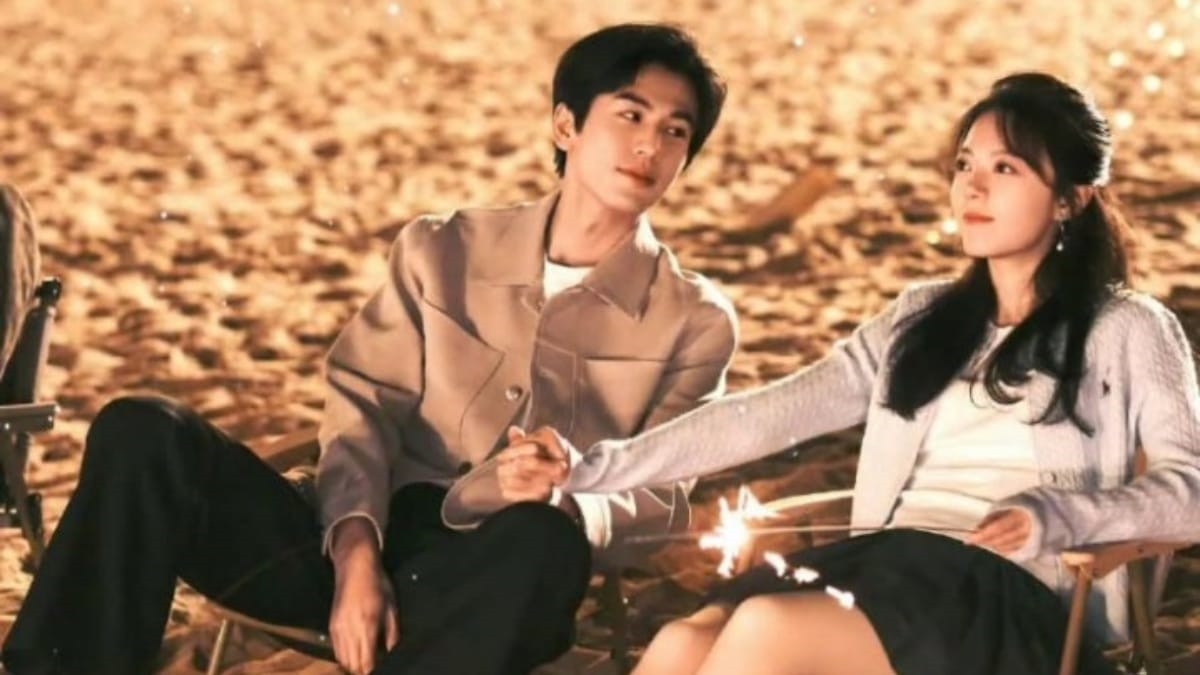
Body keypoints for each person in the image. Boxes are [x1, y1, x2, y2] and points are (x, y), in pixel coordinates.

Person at [1, 23, 737, 675]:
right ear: (566, 125)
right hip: (337, 544)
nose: (650, 144)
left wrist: (568, 493)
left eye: (676, 131)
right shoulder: (442, 249)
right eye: (630, 115)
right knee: (143, 426)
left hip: (482, 584)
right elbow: (363, 409)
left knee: (543, 542)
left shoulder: (694, 319)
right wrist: (355, 554)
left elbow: (661, 500)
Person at [480, 72, 1200, 675]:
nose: (972, 189)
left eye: (1004, 169)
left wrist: (1060, 516)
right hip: (893, 569)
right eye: (963, 166)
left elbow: (1191, 493)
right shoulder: (923, 317)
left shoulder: (1127, 327)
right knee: (682, 641)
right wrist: (589, 469)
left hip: (1017, 599)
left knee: (765, 628)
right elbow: (766, 414)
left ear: (1071, 198)